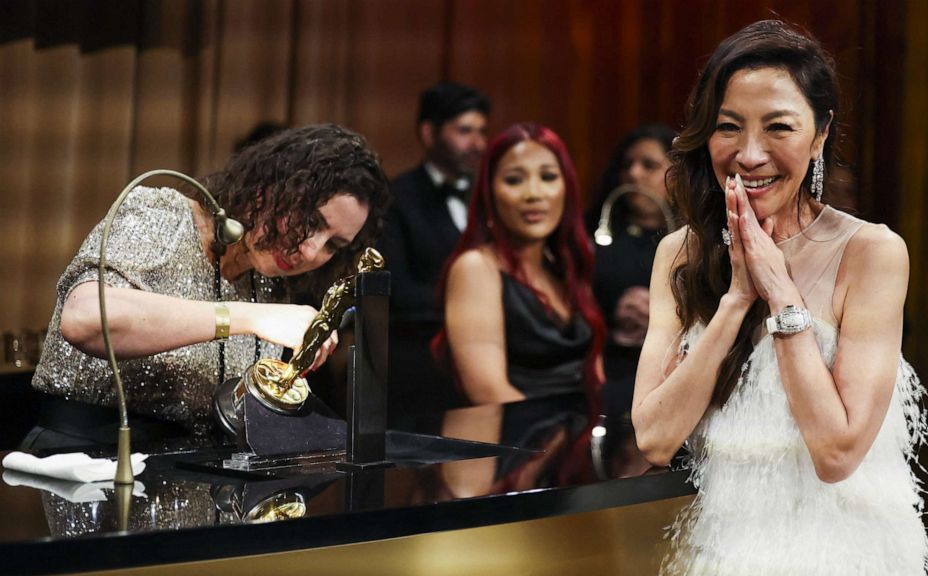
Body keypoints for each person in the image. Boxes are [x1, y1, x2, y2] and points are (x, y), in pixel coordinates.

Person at [632, 20, 928, 576]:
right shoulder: (680, 254)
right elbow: (653, 436)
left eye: (778, 127)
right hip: (722, 575)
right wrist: (734, 301)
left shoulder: (871, 252)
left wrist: (783, 298)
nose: (749, 154)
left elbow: (837, 453)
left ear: (821, 134)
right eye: (729, 126)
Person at [28, 123, 390, 448]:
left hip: (189, 483)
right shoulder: (163, 215)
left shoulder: (269, 287)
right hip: (82, 467)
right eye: (310, 220)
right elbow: (84, 319)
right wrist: (249, 317)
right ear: (271, 186)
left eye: (333, 245)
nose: (310, 250)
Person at [434, 123, 605, 405]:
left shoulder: (564, 268)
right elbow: (488, 392)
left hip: (578, 439)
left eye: (548, 177)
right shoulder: (475, 267)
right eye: (514, 180)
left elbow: (594, 378)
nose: (533, 193)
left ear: (567, 187)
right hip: (517, 442)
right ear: (490, 193)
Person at [377, 82, 490, 416]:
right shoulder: (397, 198)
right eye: (465, 131)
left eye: (482, 132)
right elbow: (396, 289)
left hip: (480, 366)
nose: (478, 143)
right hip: (418, 367)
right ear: (429, 133)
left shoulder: (490, 200)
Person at [586, 123, 677, 414]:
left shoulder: (693, 239)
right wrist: (610, 314)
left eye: (648, 165)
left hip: (673, 370)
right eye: (627, 165)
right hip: (611, 366)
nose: (634, 174)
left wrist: (667, 314)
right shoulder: (597, 234)